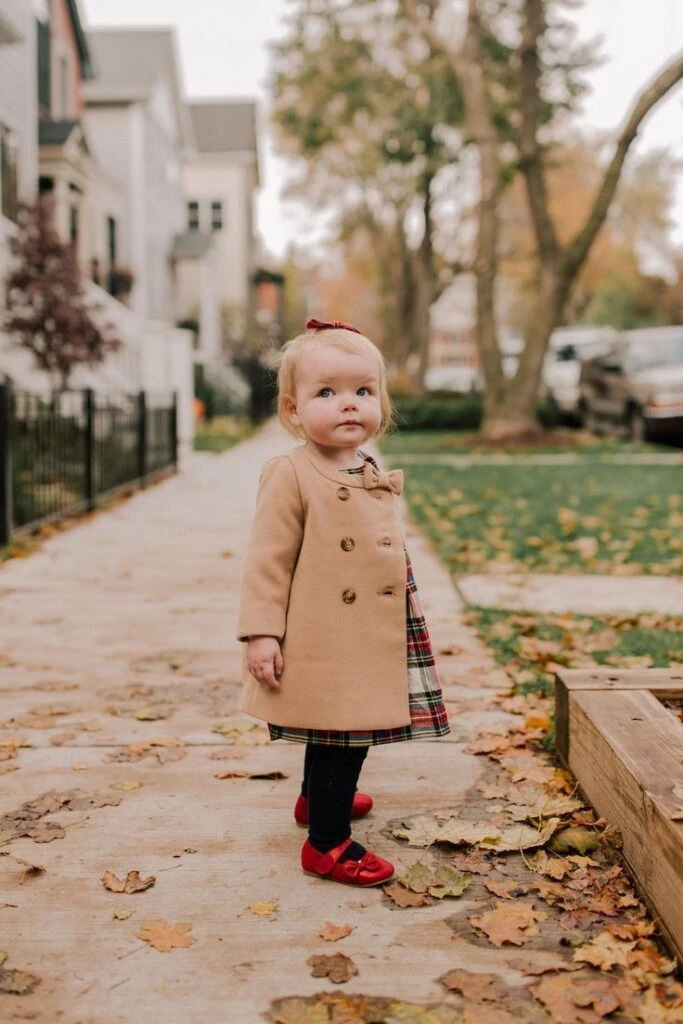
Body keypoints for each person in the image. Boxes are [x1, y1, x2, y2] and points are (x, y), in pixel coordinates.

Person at [236, 318, 449, 887]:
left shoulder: (364, 463)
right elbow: (268, 559)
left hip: (370, 624)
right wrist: (262, 632)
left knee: (335, 727)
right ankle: (327, 845)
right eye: (326, 392)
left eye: (363, 391)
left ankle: (315, 801)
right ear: (293, 410)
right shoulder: (290, 472)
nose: (348, 405)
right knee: (341, 733)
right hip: (324, 631)